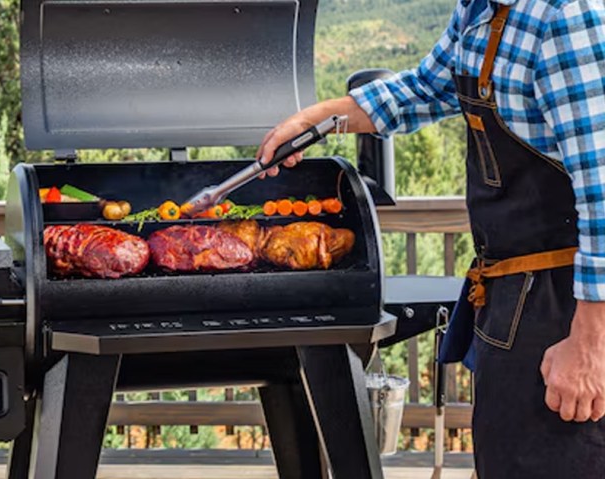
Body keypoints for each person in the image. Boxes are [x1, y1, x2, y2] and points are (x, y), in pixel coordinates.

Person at [258, 0, 605, 476]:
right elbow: (425, 88)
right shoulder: (479, 9)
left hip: (568, 311)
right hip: (510, 298)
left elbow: (604, 195)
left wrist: (591, 347)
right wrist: (319, 118)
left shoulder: (565, 18)